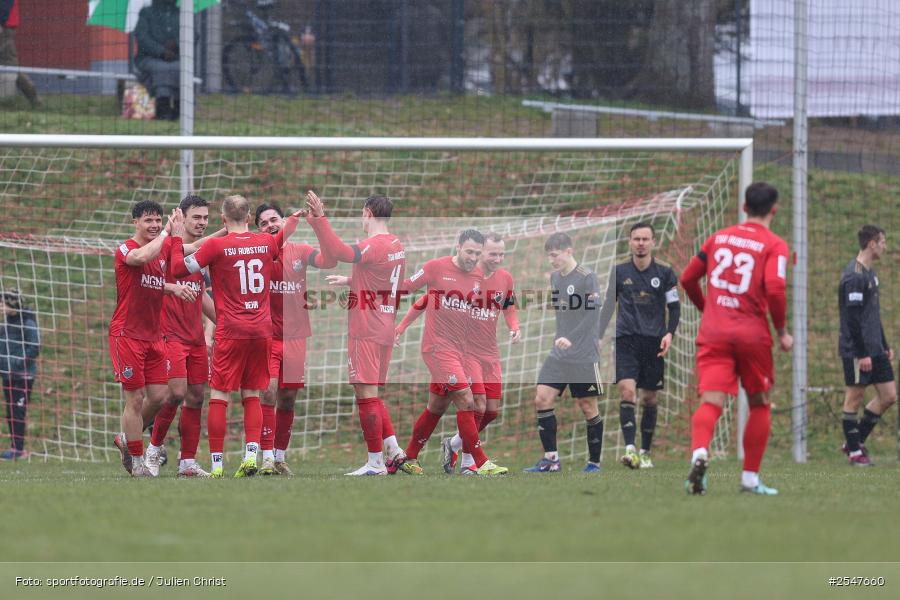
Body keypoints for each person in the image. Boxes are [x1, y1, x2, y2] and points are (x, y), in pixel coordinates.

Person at [680, 181, 792, 496]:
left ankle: (700, 453)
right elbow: (775, 288)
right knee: (759, 402)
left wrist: (709, 309)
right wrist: (781, 331)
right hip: (752, 335)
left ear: (744, 207)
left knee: (711, 402)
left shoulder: (718, 238)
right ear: (775, 209)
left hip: (715, 333)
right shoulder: (775, 245)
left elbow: (688, 278)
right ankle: (749, 479)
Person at [170, 195, 281, 478]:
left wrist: (173, 240)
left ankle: (218, 465)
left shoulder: (216, 246)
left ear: (221, 219)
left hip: (231, 330)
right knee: (252, 393)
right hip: (261, 330)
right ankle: (251, 457)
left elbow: (177, 269)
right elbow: (278, 244)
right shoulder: (266, 242)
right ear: (248, 218)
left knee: (220, 394)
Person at [307, 191, 410, 476]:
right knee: (372, 393)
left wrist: (319, 220)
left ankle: (375, 463)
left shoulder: (373, 245)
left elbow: (341, 252)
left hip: (366, 327)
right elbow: (385, 280)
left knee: (365, 394)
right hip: (386, 326)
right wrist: (353, 279)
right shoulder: (396, 244)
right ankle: (394, 451)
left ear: (367, 212)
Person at [393, 230, 509, 476]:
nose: (473, 257)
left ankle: (408, 457)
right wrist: (400, 326)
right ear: (457, 246)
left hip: (460, 351)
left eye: (477, 253)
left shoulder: (478, 275)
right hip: (437, 348)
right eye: (469, 251)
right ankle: (480, 462)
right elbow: (408, 289)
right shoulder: (436, 267)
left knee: (437, 405)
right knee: (468, 400)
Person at [429, 232, 521, 474]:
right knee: (476, 405)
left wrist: (514, 328)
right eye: (493, 253)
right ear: (481, 253)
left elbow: (509, 307)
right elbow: (429, 300)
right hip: (466, 352)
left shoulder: (505, 278)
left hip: (490, 353)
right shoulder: (468, 277)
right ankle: (471, 464)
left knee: (491, 411)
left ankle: (454, 443)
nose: (498, 258)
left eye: (502, 254)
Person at [255, 202, 335, 476]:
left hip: (296, 337)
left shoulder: (300, 250)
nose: (270, 225)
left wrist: (318, 223)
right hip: (267, 337)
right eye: (264, 223)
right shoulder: (259, 254)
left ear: (281, 220)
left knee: (287, 398)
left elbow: (330, 261)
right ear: (258, 230)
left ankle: (279, 457)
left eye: (273, 219)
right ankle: (264, 456)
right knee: (267, 392)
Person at [109, 201, 184, 477]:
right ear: (135, 223)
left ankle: (126, 438)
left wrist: (226, 235)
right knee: (135, 399)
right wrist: (165, 233)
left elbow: (190, 250)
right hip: (127, 335)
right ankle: (138, 462)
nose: (153, 225)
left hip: (153, 337)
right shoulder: (126, 248)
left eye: (157, 220)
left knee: (160, 395)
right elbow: (139, 259)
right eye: (148, 221)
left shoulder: (162, 248)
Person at [144, 195, 217, 478]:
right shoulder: (163, 249)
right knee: (174, 393)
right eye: (196, 217)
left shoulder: (203, 256)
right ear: (182, 218)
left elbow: (204, 297)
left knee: (196, 397)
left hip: (195, 337)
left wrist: (223, 324)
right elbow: (146, 283)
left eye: (205, 218)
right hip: (168, 334)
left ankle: (187, 462)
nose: (201, 222)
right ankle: (153, 450)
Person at [599, 222, 680, 470]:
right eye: (637, 239)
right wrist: (598, 335)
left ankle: (645, 451)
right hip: (626, 340)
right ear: (630, 242)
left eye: (645, 239)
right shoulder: (619, 272)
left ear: (653, 242)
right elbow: (609, 305)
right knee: (627, 391)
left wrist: (669, 334)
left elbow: (674, 307)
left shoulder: (665, 274)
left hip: (654, 342)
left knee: (650, 398)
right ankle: (630, 450)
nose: (641, 243)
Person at [525, 232, 605, 474]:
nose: (552, 260)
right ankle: (551, 460)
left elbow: (593, 314)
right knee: (542, 398)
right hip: (559, 353)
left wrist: (571, 338)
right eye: (549, 255)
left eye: (555, 255)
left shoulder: (586, 277)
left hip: (583, 354)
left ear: (569, 250)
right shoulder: (555, 279)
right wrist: (560, 338)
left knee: (587, 406)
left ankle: (594, 463)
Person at [837, 224, 896, 466]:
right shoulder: (855, 275)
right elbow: (852, 319)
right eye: (882, 242)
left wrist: (884, 343)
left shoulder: (870, 274)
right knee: (855, 397)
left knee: (889, 395)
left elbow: (872, 315)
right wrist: (862, 353)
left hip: (875, 348)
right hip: (857, 350)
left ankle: (854, 441)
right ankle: (854, 453)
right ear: (872, 244)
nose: (885, 246)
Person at [0, 288, 39, 460]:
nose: (1, 306)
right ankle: (15, 447)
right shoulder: (7, 323)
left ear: (12, 304)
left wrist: (16, 363)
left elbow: (34, 347)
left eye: (3, 303)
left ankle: (19, 449)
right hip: (7, 375)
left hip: (22, 376)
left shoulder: (27, 322)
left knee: (18, 411)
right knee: (10, 411)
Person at [134, 0, 180, 120]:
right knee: (162, 68)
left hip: (177, 58)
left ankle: (179, 107)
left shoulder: (183, 13)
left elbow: (194, 35)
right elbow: (142, 38)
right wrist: (161, 52)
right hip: (149, 58)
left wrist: (178, 44)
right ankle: (162, 108)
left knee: (181, 68)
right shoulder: (146, 13)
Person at [0, 0, 39, 107]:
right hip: (5, 25)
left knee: (9, 65)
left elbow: (6, 2)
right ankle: (33, 97)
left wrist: (1, 23)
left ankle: (31, 97)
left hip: (5, 27)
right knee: (10, 65)